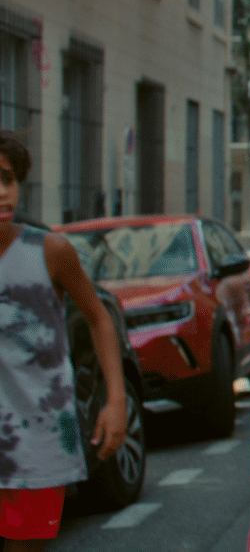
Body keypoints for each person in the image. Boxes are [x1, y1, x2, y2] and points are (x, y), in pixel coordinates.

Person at [0, 131, 127, 552]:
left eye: (7, 179)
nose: (2, 192)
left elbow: (98, 318)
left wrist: (116, 400)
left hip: (36, 445)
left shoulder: (49, 251)